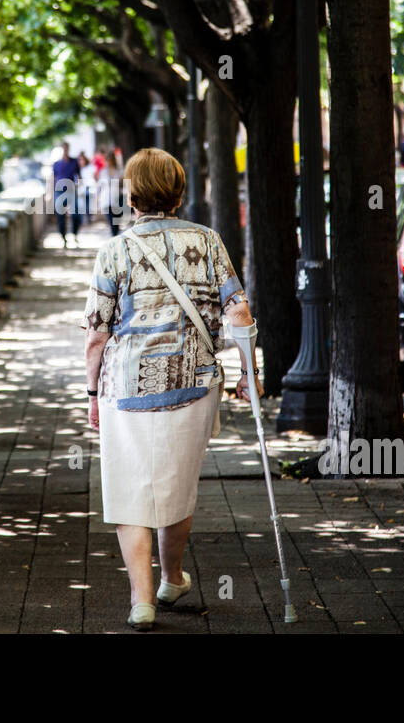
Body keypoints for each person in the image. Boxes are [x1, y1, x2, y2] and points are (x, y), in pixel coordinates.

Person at [82, 148, 261, 631]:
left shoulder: (113, 251)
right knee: (178, 485)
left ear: (131, 193)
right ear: (179, 190)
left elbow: (97, 334)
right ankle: (172, 576)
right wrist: (249, 375)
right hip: (194, 382)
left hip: (127, 387)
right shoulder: (208, 241)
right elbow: (239, 315)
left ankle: (142, 602)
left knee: (130, 487)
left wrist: (93, 394)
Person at [51, 142, 82, 248]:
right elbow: (53, 179)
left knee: (76, 214)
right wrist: (50, 193)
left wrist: (79, 188)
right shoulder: (56, 164)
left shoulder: (74, 162)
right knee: (60, 216)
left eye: (66, 148)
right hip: (59, 191)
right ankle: (63, 237)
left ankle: (74, 234)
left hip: (72, 191)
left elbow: (79, 176)